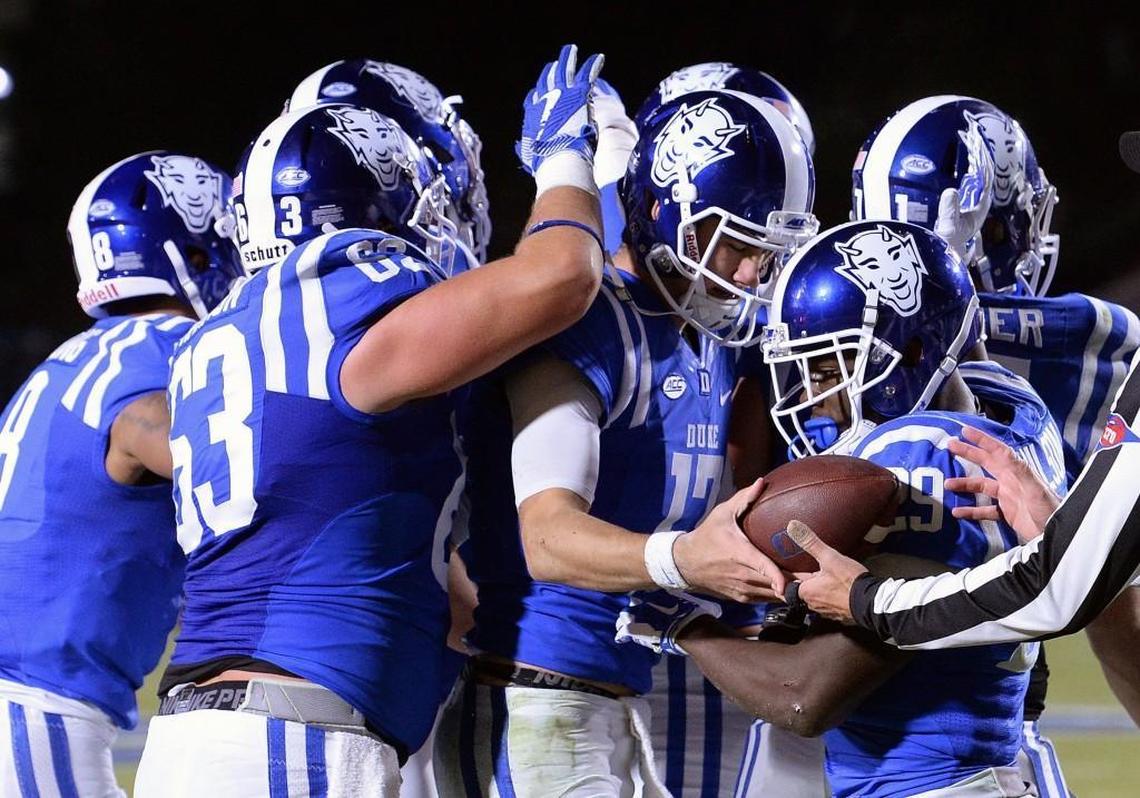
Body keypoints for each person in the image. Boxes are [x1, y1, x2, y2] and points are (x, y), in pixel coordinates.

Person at [133, 44, 607, 797]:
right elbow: (561, 276)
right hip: (294, 735)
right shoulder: (345, 287)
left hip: (214, 726)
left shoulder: (231, 327)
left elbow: (375, 545)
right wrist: (563, 161)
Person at [435, 88, 816, 797]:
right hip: (535, 699)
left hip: (608, 699)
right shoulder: (588, 324)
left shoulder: (703, 333)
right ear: (671, 213)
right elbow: (547, 537)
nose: (748, 275)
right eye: (735, 243)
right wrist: (686, 560)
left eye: (764, 252)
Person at [620, 219, 1066, 797]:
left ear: (909, 350)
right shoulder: (1015, 413)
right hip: (986, 769)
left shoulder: (918, 460)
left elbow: (803, 696)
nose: (812, 396)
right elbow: (961, 349)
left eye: (830, 367)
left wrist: (680, 624)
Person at [0, 151, 240, 796]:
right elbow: (150, 431)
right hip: (35, 704)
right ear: (195, 253)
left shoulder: (71, 357)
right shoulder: (157, 350)